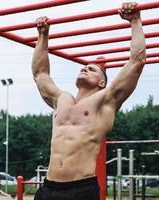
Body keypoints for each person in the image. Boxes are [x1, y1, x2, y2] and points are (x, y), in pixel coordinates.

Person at [32, 2, 146, 200]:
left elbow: (136, 62)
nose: (85, 68)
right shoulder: (61, 99)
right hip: (48, 188)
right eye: (83, 67)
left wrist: (135, 20)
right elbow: (40, 73)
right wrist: (43, 35)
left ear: (102, 82)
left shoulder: (105, 101)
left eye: (92, 69)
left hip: (80, 189)